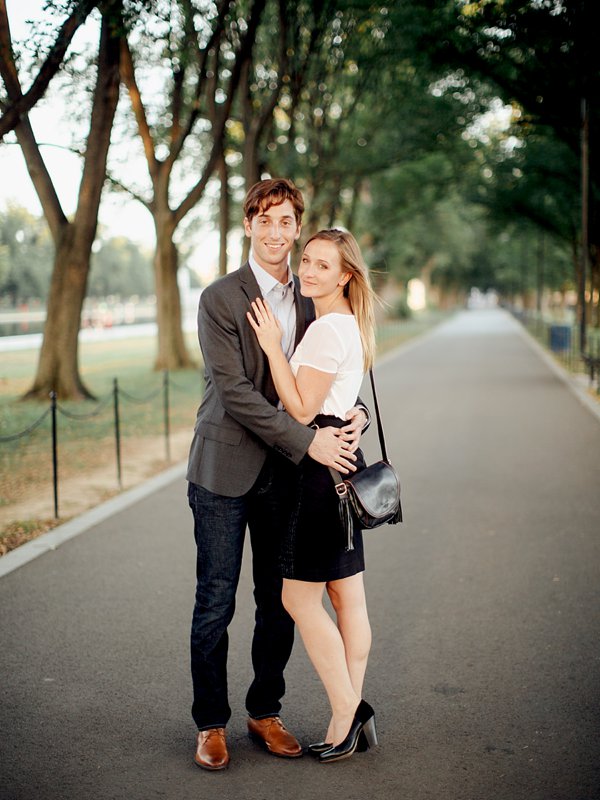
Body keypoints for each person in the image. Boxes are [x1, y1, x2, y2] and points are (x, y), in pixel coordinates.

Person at [186, 179, 368, 771]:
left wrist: (353, 416)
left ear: (296, 227)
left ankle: (265, 711)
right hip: (225, 467)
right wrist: (309, 442)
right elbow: (236, 392)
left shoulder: (313, 294)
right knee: (215, 601)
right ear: (248, 226)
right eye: (264, 220)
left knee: (279, 601)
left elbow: (333, 371)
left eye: (285, 221)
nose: (275, 232)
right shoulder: (219, 297)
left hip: (287, 477)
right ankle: (210, 724)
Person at [247, 228, 378, 764]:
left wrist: (273, 348)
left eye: (323, 265)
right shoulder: (346, 324)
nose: (308, 270)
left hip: (318, 474)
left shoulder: (327, 330)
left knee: (297, 598)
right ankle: (348, 716)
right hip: (341, 466)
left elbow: (300, 410)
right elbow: (342, 398)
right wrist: (360, 414)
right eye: (307, 260)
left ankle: (348, 709)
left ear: (346, 275)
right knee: (348, 598)